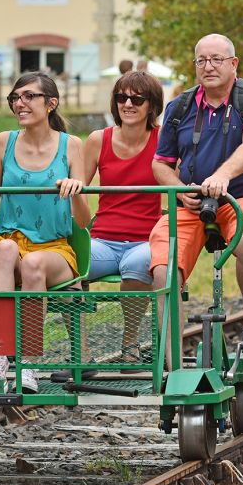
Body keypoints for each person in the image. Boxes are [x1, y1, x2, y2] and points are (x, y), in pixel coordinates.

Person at [149, 33, 243, 370]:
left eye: (217, 59)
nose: (209, 66)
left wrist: (223, 176)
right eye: (201, 60)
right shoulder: (180, 106)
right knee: (163, 270)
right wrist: (180, 190)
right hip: (190, 204)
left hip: (241, 198)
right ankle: (172, 363)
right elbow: (160, 164)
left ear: (233, 64)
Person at [0, 72, 91, 393]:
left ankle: (28, 363)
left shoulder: (72, 145)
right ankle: (0, 357)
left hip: (55, 249)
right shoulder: (4, 141)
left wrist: (76, 191)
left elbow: (84, 221)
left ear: (51, 104)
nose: (20, 103)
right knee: (4, 249)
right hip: (12, 244)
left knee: (33, 265)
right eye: (15, 98)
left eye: (29, 96)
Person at [81, 71, 164, 366]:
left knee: (138, 263)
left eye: (137, 98)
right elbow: (77, 186)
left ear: (151, 105)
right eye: (121, 97)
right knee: (66, 265)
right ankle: (81, 350)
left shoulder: (162, 140)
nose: (128, 104)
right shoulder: (97, 139)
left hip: (143, 239)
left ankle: (129, 341)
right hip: (103, 238)